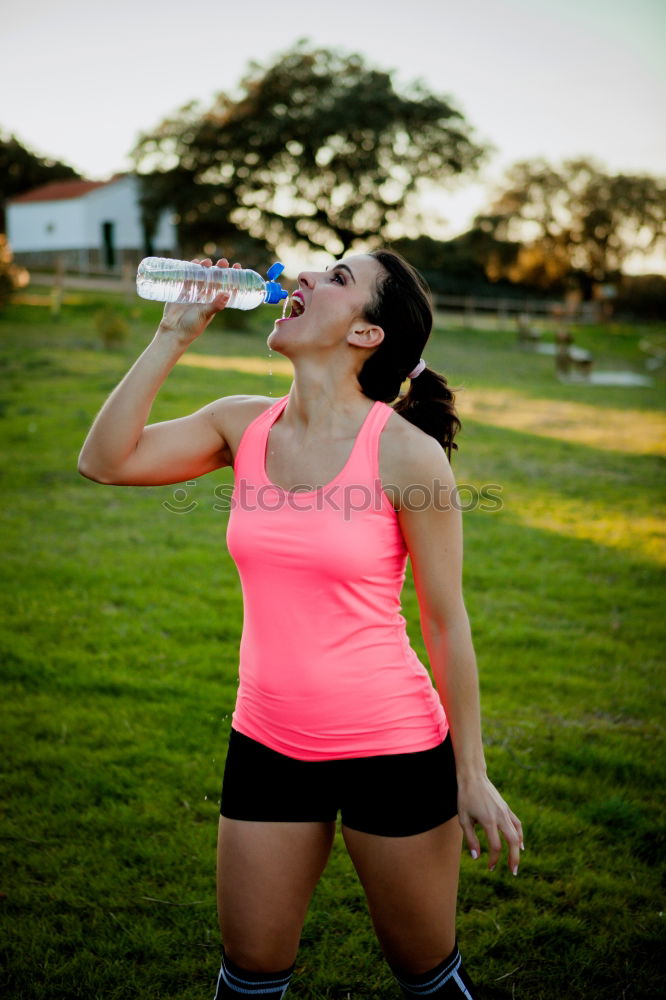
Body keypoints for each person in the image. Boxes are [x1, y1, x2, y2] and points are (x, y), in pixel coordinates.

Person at [78, 249, 524, 999]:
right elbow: (105, 460)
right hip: (267, 744)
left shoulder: (408, 457)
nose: (305, 278)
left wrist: (470, 773)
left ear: (366, 335)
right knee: (249, 978)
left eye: (337, 278)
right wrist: (172, 336)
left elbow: (446, 624)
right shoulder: (239, 424)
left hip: (395, 751)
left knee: (429, 980)